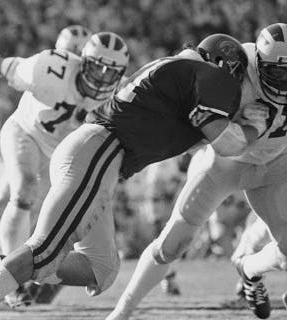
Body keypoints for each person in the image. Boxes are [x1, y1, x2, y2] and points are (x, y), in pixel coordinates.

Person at [0, 33, 261, 320]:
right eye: (235, 73)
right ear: (222, 64)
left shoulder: (181, 72)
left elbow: (193, 133)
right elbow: (226, 142)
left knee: (101, 268)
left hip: (99, 155)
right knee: (45, 249)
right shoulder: (204, 74)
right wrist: (253, 126)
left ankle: (3, 268)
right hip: (100, 150)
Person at [0, 28, 128, 305]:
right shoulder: (49, 67)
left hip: (62, 158)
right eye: (98, 68)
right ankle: (10, 284)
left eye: (111, 72)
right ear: (82, 61)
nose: (103, 78)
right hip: (26, 133)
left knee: (38, 225)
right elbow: (0, 64)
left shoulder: (120, 95)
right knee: (23, 192)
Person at [106, 23, 287, 320]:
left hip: (277, 162)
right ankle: (122, 311)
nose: (284, 82)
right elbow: (187, 64)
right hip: (225, 162)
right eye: (278, 73)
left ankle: (247, 269)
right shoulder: (237, 63)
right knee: (174, 243)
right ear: (261, 64)